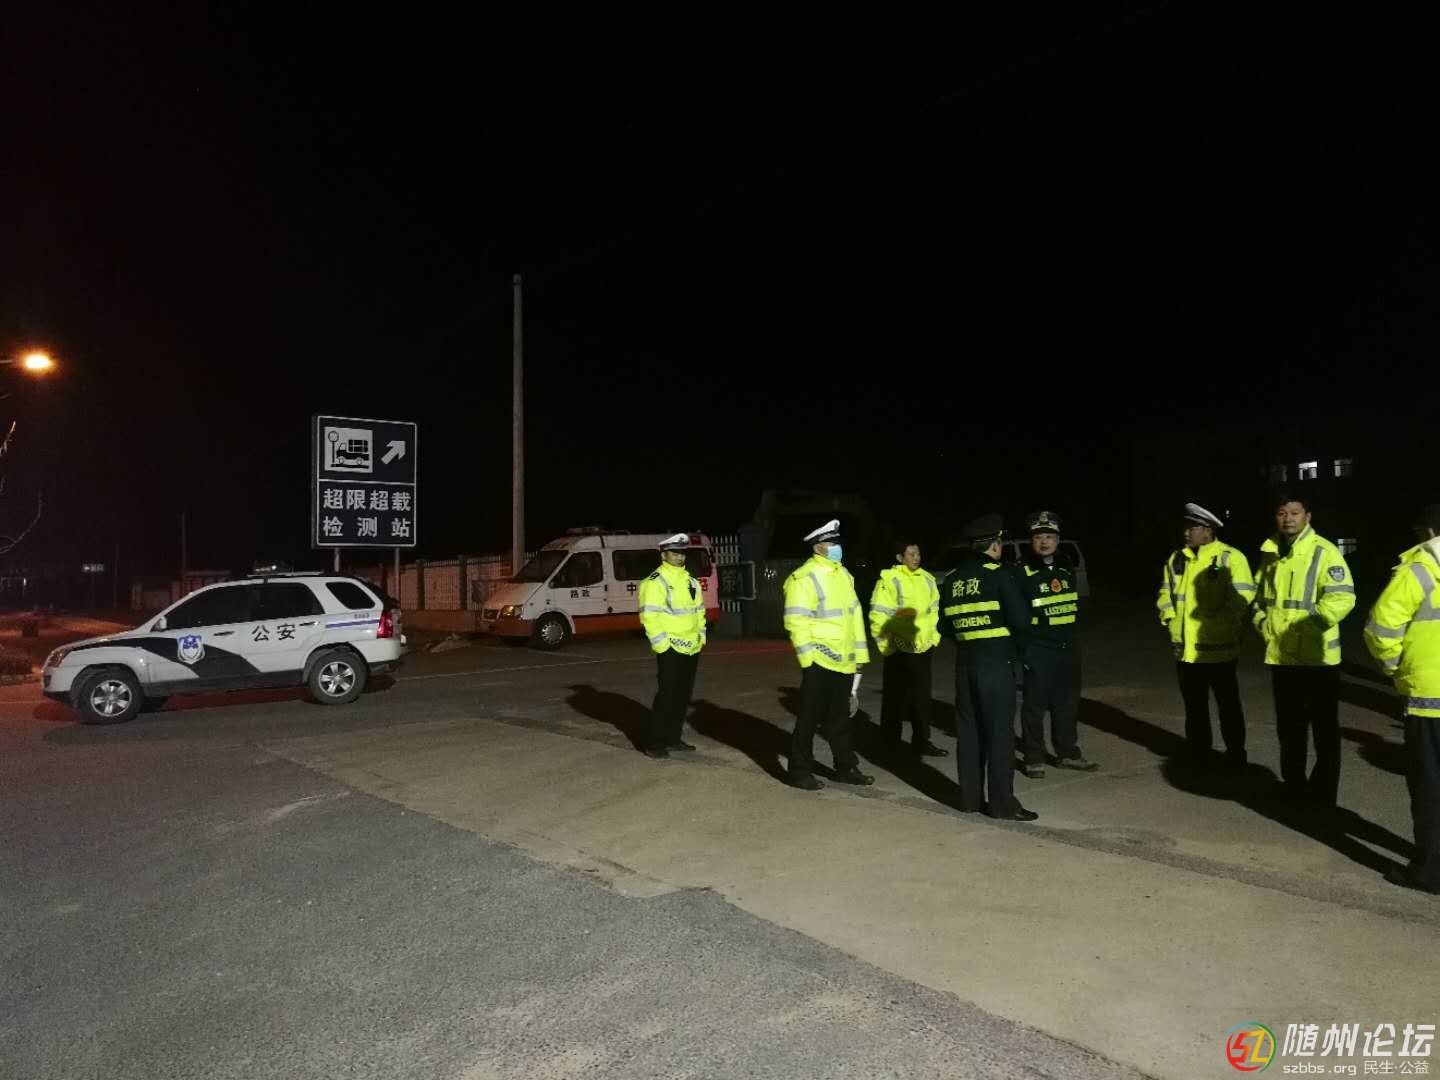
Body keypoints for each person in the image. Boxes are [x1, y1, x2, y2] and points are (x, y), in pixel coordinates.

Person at [1253, 493, 1356, 807]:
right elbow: (1259, 598)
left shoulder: (1324, 551)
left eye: (1295, 512)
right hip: (1282, 657)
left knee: (1324, 732)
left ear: (1308, 517)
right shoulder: (1270, 551)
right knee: (1289, 728)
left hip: (1318, 659)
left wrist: (1306, 628)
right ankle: (1294, 786)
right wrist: (1262, 623)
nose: (1288, 519)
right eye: (1282, 513)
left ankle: (1323, 795)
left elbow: (1342, 597)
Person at [1363, 502, 1440, 895]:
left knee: (1431, 790)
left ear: (1428, 529)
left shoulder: (1421, 570)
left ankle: (1430, 871)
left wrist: (1396, 670)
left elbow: (1380, 628)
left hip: (1430, 700)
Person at [940, 514, 1036, 820]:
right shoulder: (999, 575)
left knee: (969, 734)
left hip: (965, 663)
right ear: (995, 545)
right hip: (996, 663)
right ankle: (1002, 805)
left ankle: (969, 800)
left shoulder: (953, 579)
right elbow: (1021, 621)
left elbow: (944, 626)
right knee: (999, 735)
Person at [1156, 502, 1256, 770]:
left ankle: (1236, 755)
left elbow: (1244, 595)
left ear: (1208, 530)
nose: (1186, 533)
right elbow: (1165, 593)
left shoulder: (1230, 557)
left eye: (1192, 528)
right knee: (1194, 707)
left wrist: (1221, 621)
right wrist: (1169, 617)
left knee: (1228, 706)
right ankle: (1200, 753)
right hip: (1186, 651)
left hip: (1219, 649)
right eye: (1185, 527)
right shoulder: (1177, 559)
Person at [782, 519, 874, 790]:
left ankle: (845, 767)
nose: (837, 547)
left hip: (844, 658)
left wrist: (859, 657)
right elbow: (796, 621)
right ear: (817, 547)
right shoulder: (804, 577)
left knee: (840, 718)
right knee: (809, 717)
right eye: (831, 543)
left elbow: (854, 618)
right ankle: (799, 770)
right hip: (819, 659)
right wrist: (808, 659)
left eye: (837, 542)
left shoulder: (844, 575)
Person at [1013, 511, 1096, 778]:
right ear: (1031, 541)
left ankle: (1067, 753)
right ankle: (1034, 757)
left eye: (1049, 536)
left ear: (1058, 540)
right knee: (1034, 706)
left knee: (1067, 703)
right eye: (1039, 537)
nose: (1044, 541)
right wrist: (1024, 650)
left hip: (1067, 646)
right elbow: (1016, 616)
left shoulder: (1065, 566)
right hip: (1038, 648)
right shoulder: (1020, 571)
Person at [869, 538, 946, 757]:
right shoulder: (889, 579)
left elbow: (934, 611)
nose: (916, 558)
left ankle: (922, 741)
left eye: (918, 554)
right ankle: (890, 745)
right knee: (894, 699)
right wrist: (888, 647)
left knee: (921, 700)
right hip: (898, 650)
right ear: (899, 557)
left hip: (923, 648)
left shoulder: (928, 579)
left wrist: (933, 637)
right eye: (911, 554)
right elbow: (878, 615)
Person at [637, 532, 707, 759]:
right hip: (671, 648)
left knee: (682, 695)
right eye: (675, 552)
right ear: (663, 555)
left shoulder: (690, 581)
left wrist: (701, 636)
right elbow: (650, 617)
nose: (679, 557)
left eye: (682, 553)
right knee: (667, 695)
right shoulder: (655, 582)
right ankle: (655, 742)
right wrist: (662, 646)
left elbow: (699, 611)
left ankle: (673, 738)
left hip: (692, 646)